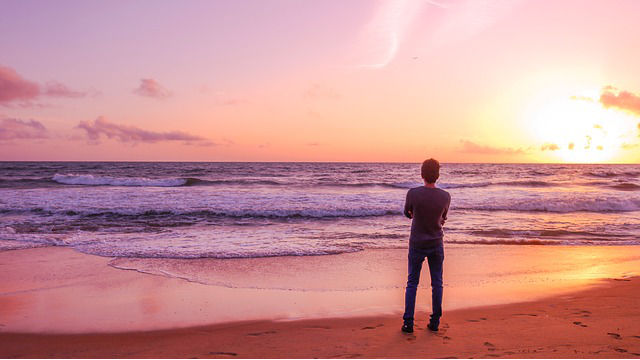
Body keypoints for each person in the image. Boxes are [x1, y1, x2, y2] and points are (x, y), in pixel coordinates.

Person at [401, 158, 451, 333]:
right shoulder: (445, 196)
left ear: (422, 174)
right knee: (437, 282)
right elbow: (443, 218)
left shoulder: (413, 193)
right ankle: (435, 321)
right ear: (437, 175)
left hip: (417, 242)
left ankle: (408, 322)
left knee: (412, 282)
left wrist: (416, 214)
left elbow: (407, 213)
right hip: (436, 242)